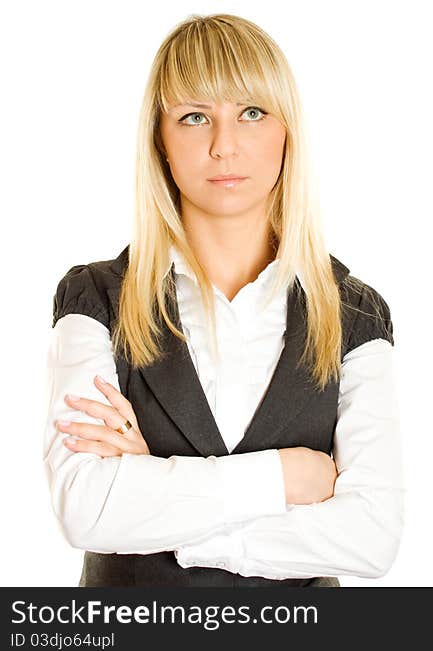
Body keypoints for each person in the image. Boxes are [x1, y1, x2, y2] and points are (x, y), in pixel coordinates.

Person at [42, 13, 404, 587]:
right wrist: (282, 479)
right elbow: (88, 510)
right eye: (194, 117)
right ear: (161, 141)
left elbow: (370, 538)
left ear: (288, 131)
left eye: (252, 113)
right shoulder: (96, 299)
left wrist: (153, 488)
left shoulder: (355, 314)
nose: (224, 146)